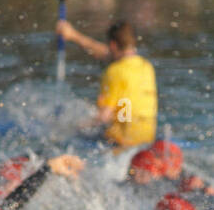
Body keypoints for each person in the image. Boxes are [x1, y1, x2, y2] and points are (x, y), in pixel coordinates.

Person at [54, 19, 157, 150]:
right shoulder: (146, 66)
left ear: (113, 45)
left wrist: (73, 128)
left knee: (72, 137)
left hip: (122, 141)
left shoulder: (114, 71)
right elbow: (108, 54)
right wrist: (73, 36)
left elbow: (104, 117)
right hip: (146, 139)